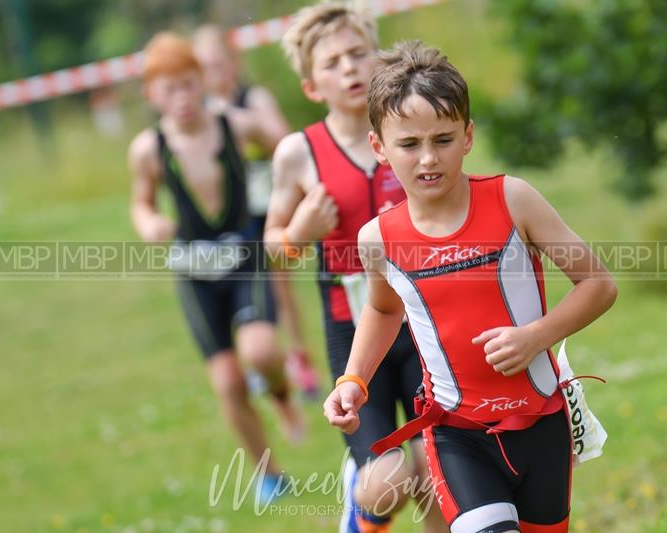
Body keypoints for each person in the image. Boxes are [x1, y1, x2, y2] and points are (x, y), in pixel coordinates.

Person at [323, 41, 618, 533]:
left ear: (468, 136)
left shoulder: (513, 200)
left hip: (542, 424)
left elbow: (599, 284)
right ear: (379, 146)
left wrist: (535, 337)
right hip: (456, 436)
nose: (427, 159)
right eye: (409, 144)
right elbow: (381, 311)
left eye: (442, 139)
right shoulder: (378, 239)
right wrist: (353, 380)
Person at [265, 4, 446, 532]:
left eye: (357, 54)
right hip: (353, 331)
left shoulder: (413, 132)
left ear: (380, 60)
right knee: (391, 475)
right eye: (332, 63)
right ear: (311, 86)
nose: (348, 69)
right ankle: (361, 509)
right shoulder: (298, 154)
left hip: (424, 322)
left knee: (440, 470)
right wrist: (300, 231)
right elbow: (274, 248)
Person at [128, 32, 304, 505]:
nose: (182, 98)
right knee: (227, 380)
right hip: (194, 269)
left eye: (189, 84)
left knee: (263, 351)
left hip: (245, 255)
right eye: (169, 90)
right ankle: (268, 473)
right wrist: (149, 223)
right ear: (152, 95)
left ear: (203, 80)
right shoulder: (148, 149)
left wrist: (291, 200)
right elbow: (141, 202)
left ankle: (284, 395)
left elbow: (291, 152)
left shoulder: (235, 124)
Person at [192, 24, 320, 399]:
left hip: (268, 206)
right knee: (244, 290)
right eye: (204, 67)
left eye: (218, 64)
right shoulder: (199, 114)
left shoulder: (251, 99)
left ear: (233, 63)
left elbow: (282, 140)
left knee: (278, 286)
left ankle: (298, 356)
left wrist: (236, 119)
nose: (212, 74)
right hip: (231, 218)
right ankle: (263, 362)